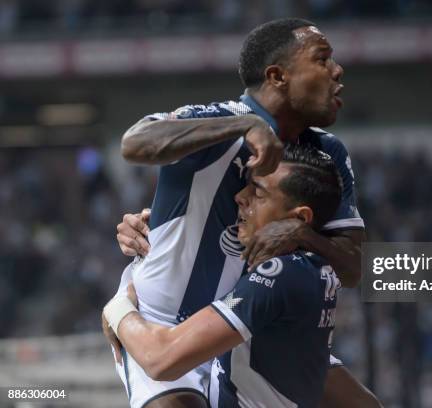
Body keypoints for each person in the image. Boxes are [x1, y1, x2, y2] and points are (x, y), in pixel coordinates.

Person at [109, 18, 377, 408]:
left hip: (257, 327)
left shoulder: (325, 155)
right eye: (322, 59)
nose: (337, 71)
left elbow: (354, 268)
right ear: (277, 75)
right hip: (167, 325)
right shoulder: (219, 120)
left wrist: (302, 235)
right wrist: (242, 125)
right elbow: (135, 143)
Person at [104, 145, 351, 407]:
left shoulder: (275, 278)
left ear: (299, 217)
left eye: (258, 192)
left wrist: (118, 307)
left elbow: (159, 358)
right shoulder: (314, 270)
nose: (240, 197)